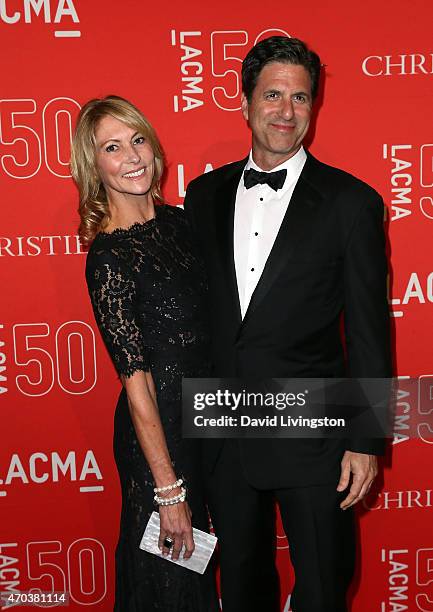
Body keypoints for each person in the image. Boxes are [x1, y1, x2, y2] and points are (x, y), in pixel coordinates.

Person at [184, 37, 391, 612]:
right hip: (223, 431)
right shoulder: (202, 196)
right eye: (272, 94)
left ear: (314, 108)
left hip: (316, 435)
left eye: (300, 97)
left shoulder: (352, 203)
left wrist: (364, 440)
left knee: (324, 587)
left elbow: (371, 331)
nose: (286, 111)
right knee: (242, 588)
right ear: (245, 101)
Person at [70, 95, 218, 611]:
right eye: (113, 147)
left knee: (199, 576)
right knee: (169, 580)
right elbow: (137, 383)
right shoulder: (109, 257)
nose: (132, 156)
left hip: (208, 421)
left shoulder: (179, 223)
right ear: (95, 167)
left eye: (137, 140)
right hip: (159, 443)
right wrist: (168, 489)